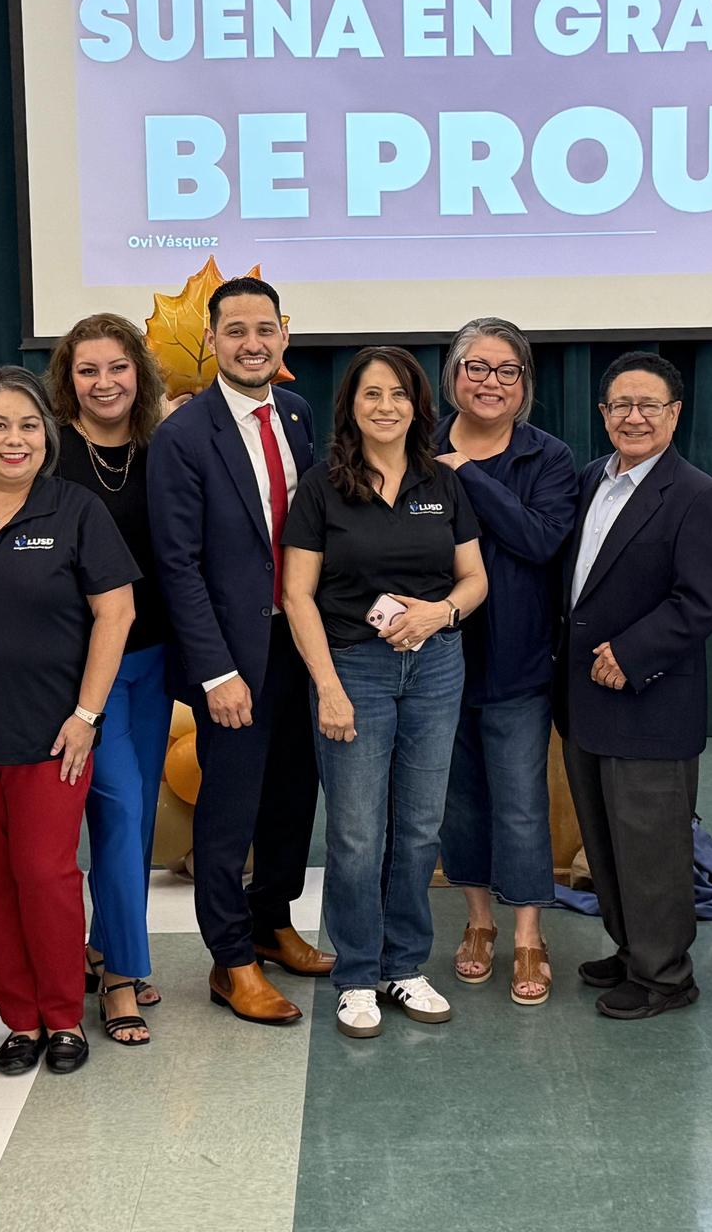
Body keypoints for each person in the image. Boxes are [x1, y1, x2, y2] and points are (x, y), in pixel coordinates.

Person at [0, 367, 138, 1071]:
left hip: (54, 737)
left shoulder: (75, 509)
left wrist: (87, 715)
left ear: (45, 437)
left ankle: (62, 1018)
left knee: (46, 877)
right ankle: (18, 1018)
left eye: (26, 426)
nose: (13, 439)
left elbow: (117, 612)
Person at [282, 347, 488, 1038]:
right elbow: (297, 594)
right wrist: (329, 688)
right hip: (354, 670)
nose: (386, 406)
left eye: (398, 394)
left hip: (435, 666)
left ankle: (405, 966)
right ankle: (357, 974)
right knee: (356, 832)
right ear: (351, 406)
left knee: (420, 826)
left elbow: (474, 579)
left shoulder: (442, 482)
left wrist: (440, 613)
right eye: (371, 394)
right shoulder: (322, 487)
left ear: (417, 404)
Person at [148, 276, 334, 1026]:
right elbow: (178, 566)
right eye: (235, 331)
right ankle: (231, 961)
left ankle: (272, 920)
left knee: (293, 796)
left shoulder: (296, 413)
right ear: (212, 341)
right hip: (232, 662)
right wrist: (217, 671)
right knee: (229, 816)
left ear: (283, 333)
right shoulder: (183, 437)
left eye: (265, 329)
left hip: (299, 647)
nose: (251, 343)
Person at [559, 353, 712, 1020]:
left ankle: (665, 977)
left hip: (648, 697)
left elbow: (703, 598)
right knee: (606, 839)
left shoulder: (696, 494)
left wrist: (632, 655)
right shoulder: (586, 482)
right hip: (583, 697)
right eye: (620, 406)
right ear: (603, 415)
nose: (633, 417)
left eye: (648, 406)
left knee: (652, 845)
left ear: (675, 414)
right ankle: (633, 949)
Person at [432, 318, 578, 1006]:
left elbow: (540, 539)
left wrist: (467, 480)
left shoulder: (547, 458)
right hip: (433, 660)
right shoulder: (415, 443)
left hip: (518, 662)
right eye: (476, 368)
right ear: (453, 376)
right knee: (460, 803)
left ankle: (527, 935)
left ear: (524, 385)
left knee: (520, 806)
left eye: (506, 370)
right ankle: (480, 925)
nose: (490, 382)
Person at [48, 314, 172, 1034]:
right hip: (81, 666)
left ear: (140, 373)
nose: (104, 383)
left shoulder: (165, 448)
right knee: (118, 814)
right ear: (68, 379)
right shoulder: (48, 451)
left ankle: (106, 946)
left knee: (135, 817)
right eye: (88, 370)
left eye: (118, 367)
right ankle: (122, 974)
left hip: (153, 660)